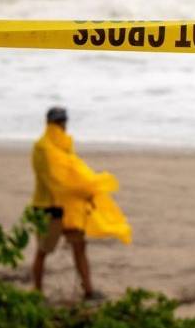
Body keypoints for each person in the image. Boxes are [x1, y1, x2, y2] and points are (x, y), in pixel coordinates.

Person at [31, 107, 132, 300]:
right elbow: (56, 180)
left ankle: (88, 290)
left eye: (62, 122)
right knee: (43, 251)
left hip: (68, 208)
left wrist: (85, 188)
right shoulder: (43, 148)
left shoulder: (61, 146)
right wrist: (83, 189)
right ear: (51, 123)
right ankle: (37, 293)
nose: (61, 126)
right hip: (48, 208)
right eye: (58, 122)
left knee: (79, 247)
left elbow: (72, 173)